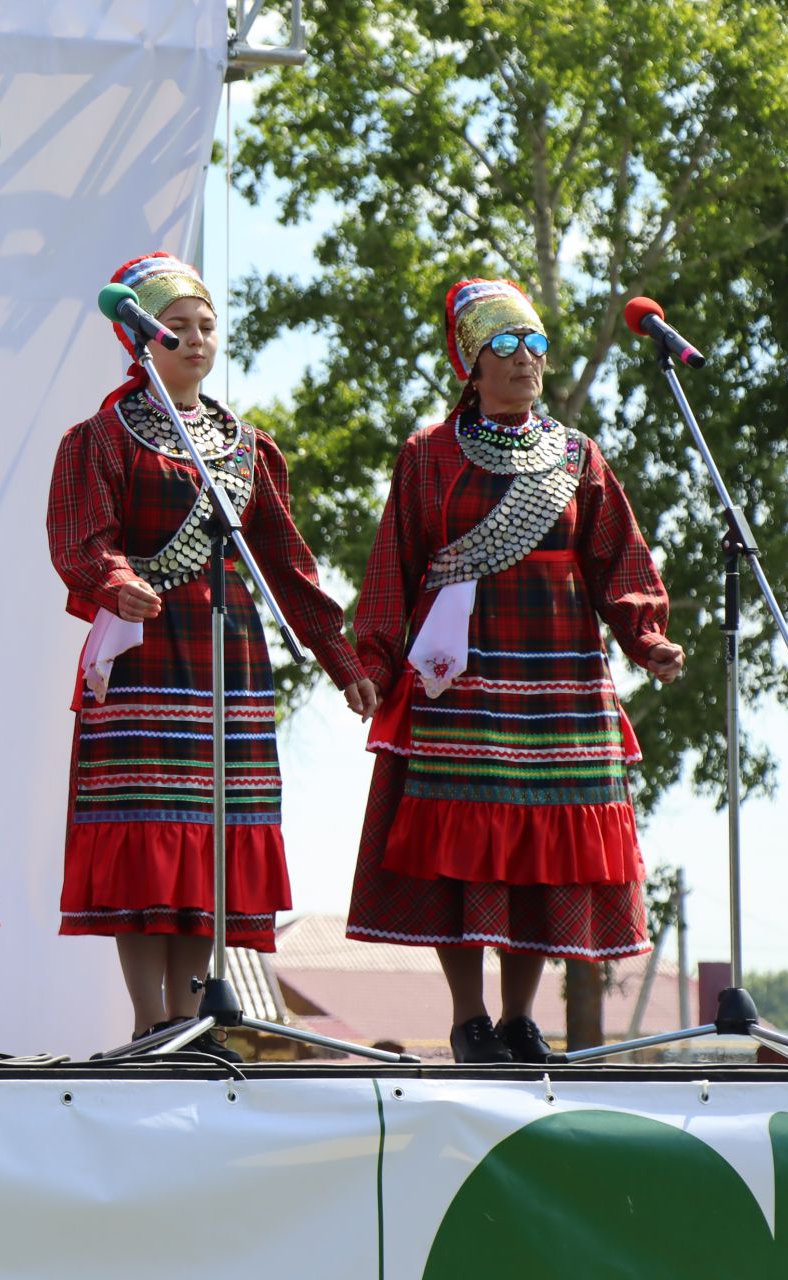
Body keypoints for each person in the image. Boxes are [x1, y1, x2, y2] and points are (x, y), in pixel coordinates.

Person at [346, 278, 685, 1063]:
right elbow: (393, 568)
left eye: (535, 343)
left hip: (558, 674)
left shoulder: (577, 455)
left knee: (539, 850)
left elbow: (617, 561)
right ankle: (469, 1018)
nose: (527, 358)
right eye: (507, 345)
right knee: (461, 849)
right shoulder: (428, 457)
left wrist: (646, 635)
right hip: (459, 679)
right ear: (472, 363)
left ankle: (521, 1017)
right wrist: (370, 658)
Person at [47, 253, 377, 1048]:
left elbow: (289, 567)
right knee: (144, 831)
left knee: (207, 837)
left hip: (227, 652)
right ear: (141, 345)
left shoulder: (244, 448)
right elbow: (79, 537)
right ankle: (147, 1019)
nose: (195, 342)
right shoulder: (99, 438)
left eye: (205, 328)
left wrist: (342, 659)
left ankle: (194, 1016)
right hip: (143, 651)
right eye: (175, 330)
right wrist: (114, 580)